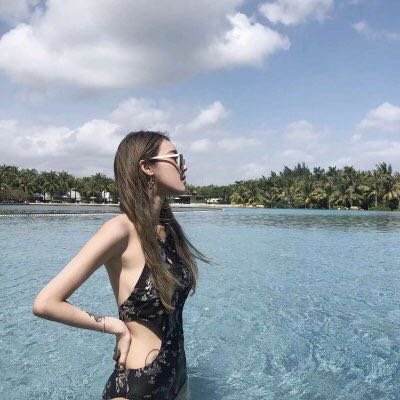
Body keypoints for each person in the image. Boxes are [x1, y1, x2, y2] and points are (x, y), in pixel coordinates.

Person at [32, 131, 212, 399]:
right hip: (138, 385)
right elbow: (45, 303)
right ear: (147, 166)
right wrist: (113, 326)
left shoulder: (168, 229)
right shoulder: (120, 230)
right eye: (176, 158)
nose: (183, 166)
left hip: (178, 380)